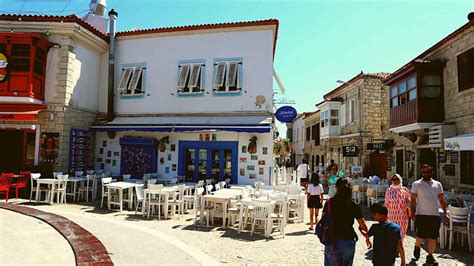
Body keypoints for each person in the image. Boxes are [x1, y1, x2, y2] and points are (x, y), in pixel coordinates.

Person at [322, 178, 371, 266]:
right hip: (348, 240)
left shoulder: (329, 203)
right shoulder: (353, 205)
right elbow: (362, 224)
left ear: (336, 188)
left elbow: (323, 221)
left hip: (332, 240)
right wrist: (367, 237)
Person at [410, 164, 448, 265]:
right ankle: (417, 246)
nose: (425, 174)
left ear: (431, 172)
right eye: (423, 172)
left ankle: (430, 256)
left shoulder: (437, 184)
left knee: (433, 237)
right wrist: (411, 212)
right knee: (420, 235)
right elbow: (413, 200)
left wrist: (445, 213)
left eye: (427, 172)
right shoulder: (416, 184)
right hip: (421, 214)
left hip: (434, 215)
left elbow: (441, 199)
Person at [385, 174, 410, 240]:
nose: (395, 181)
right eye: (393, 179)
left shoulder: (405, 189)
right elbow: (386, 203)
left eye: (397, 179)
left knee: (401, 231)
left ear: (400, 180)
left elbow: (408, 201)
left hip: (402, 215)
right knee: (392, 231)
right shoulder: (389, 190)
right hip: (392, 215)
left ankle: (400, 246)